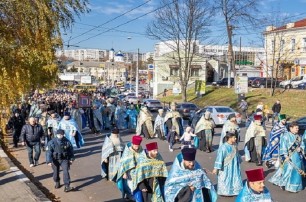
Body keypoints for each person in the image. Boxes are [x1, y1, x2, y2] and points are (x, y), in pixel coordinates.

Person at [269, 122, 306, 193]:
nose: (297, 129)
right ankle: (283, 183)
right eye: (296, 128)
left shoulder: (299, 137)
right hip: (289, 156)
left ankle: (293, 186)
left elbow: (302, 145)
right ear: (291, 128)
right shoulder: (286, 136)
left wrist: (300, 148)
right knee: (288, 170)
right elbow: (283, 146)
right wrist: (285, 156)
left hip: (297, 156)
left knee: (296, 171)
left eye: (298, 128)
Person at [212, 131, 243, 196]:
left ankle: (235, 191)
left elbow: (237, 155)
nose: (235, 139)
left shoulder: (235, 145)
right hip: (226, 166)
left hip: (234, 166)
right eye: (234, 137)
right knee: (225, 178)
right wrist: (216, 168)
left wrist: (239, 161)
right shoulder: (224, 147)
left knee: (235, 177)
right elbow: (219, 158)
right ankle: (225, 191)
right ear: (230, 138)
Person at [116, 135, 145, 200]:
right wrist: (124, 173)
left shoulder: (141, 149)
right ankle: (131, 196)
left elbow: (144, 159)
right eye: (135, 146)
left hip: (139, 172)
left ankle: (136, 198)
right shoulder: (127, 151)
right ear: (132, 143)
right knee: (131, 186)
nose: (137, 147)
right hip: (130, 172)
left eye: (138, 146)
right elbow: (123, 162)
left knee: (139, 186)